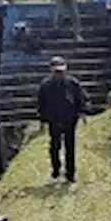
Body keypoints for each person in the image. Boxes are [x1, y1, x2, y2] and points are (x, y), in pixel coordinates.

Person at [38, 55, 88, 183]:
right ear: (51, 71)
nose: (59, 74)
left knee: (70, 146)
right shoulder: (45, 85)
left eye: (61, 71)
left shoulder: (72, 83)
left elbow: (81, 98)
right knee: (54, 146)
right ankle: (56, 169)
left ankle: (70, 174)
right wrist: (42, 120)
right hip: (53, 119)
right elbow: (41, 103)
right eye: (56, 71)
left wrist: (82, 112)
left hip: (70, 119)